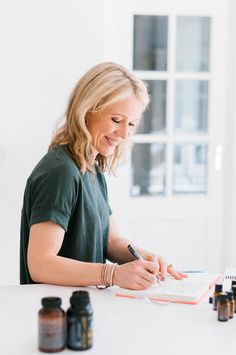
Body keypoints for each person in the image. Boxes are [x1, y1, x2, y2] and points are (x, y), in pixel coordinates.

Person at [20, 62, 186, 289]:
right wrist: (113, 274)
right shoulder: (60, 172)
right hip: (60, 315)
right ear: (87, 110)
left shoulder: (91, 167)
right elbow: (40, 264)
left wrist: (145, 259)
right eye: (116, 120)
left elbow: (111, 241)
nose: (125, 133)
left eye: (131, 124)